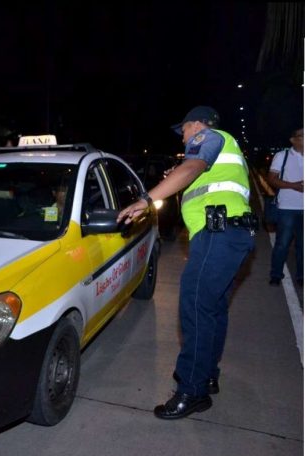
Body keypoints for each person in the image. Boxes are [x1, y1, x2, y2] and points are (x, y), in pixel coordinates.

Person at [117, 106, 256, 419]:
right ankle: (207, 375)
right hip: (231, 235)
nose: (183, 136)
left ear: (198, 124)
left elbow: (191, 168)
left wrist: (145, 200)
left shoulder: (210, 137)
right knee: (213, 308)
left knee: (194, 306)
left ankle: (192, 391)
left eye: (184, 128)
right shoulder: (227, 149)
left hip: (218, 234)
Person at [267, 128, 304, 286]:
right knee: (282, 243)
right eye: (302, 136)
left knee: (302, 245)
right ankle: (276, 275)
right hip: (287, 207)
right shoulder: (282, 156)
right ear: (293, 140)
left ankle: (301, 276)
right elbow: (272, 179)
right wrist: (293, 186)